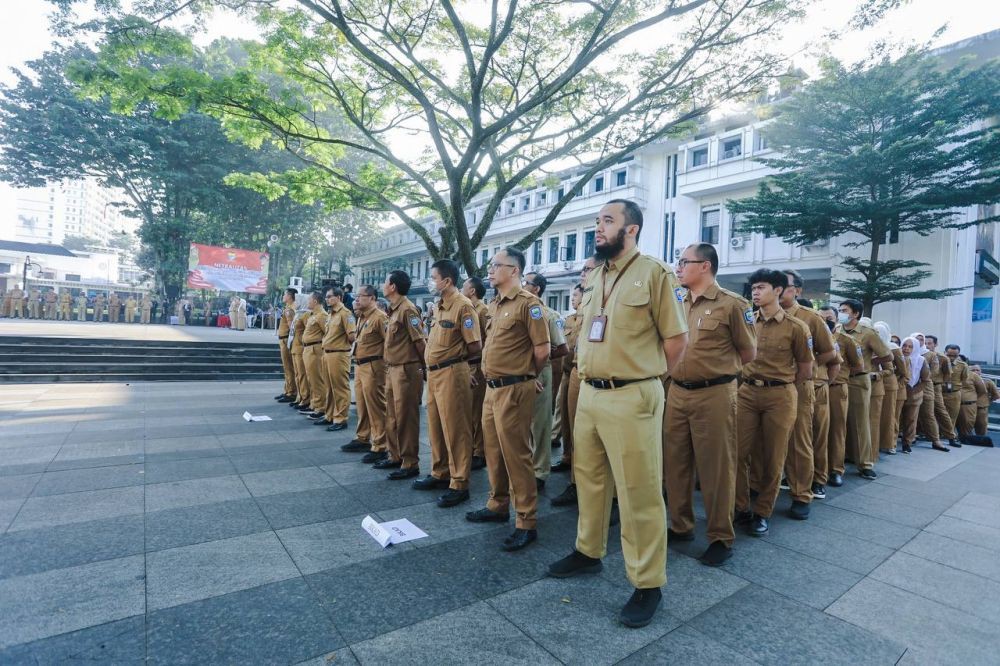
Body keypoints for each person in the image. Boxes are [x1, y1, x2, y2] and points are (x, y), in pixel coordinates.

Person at [547, 199, 687, 629]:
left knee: (638, 491)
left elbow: (676, 341)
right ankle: (588, 551)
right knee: (588, 480)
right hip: (589, 392)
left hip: (632, 394)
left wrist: (649, 384)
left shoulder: (655, 273)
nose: (598, 228)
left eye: (608, 221)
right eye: (597, 221)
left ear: (632, 229)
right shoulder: (596, 276)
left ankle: (648, 583)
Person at [663, 243, 755, 565]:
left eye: (684, 261)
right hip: (676, 390)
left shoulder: (732, 304)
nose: (678, 267)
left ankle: (720, 536)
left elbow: (748, 353)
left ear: (705, 266)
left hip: (714, 393)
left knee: (716, 467)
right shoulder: (676, 300)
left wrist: (720, 375)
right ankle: (680, 525)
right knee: (675, 463)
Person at [466, 247, 550, 552]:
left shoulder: (529, 304)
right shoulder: (496, 304)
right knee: (493, 450)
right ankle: (497, 504)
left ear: (513, 270)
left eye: (496, 265)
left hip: (515, 387)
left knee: (517, 454)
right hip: (492, 388)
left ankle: (526, 521)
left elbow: (542, 350)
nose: (490, 270)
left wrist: (528, 377)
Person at [733, 269, 811, 539]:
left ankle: (763, 512)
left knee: (774, 458)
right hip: (747, 392)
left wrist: (783, 387)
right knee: (737, 453)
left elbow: (805, 370)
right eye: (753, 287)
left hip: (780, 395)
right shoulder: (747, 321)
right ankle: (741, 507)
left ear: (778, 290)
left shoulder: (797, 327)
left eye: (761, 287)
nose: (755, 292)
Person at [415, 259, 482, 508]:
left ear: (447, 281)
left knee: (456, 429)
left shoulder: (463, 307)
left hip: (452, 373)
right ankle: (440, 472)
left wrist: (460, 363)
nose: (430, 282)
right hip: (434, 375)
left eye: (433, 277)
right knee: (435, 426)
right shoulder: (440, 306)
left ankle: (459, 482)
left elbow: (475, 345)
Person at [779, 270, 838, 517]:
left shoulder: (811, 318)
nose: (778, 289)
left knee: (799, 441)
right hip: (768, 388)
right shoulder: (758, 315)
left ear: (798, 291)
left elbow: (829, 354)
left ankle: (802, 493)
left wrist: (808, 370)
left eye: (784, 285)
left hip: (800, 387)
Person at [378, 270, 426, 480]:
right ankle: (395, 455)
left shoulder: (408, 310)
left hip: (407, 369)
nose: (382, 284)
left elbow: (420, 343)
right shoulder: (393, 310)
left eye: (385, 281)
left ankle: (410, 462)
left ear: (393, 287)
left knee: (406, 417)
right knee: (391, 416)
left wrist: (426, 370)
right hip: (392, 369)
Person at [522, 272, 568, 490]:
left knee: (540, 423)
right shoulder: (521, 311)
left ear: (537, 289)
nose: (522, 285)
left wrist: (540, 359)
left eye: (527, 283)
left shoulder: (549, 314)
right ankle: (525, 465)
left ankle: (540, 470)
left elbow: (562, 349)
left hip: (540, 371)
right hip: (520, 373)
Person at [839, 300, 892, 478]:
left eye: (844, 310)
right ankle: (843, 457)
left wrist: (868, 364)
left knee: (860, 422)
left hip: (858, 381)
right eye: (840, 310)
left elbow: (887, 355)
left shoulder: (867, 333)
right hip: (839, 380)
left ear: (855, 314)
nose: (841, 313)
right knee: (840, 421)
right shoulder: (836, 330)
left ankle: (865, 464)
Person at [344, 285, 389, 464]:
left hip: (374, 366)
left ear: (372, 298)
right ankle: (363, 438)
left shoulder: (380, 318)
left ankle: (380, 445)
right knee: (362, 405)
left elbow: (389, 344)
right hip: (361, 366)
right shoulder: (362, 317)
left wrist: (385, 367)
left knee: (376, 407)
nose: (356, 299)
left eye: (360, 296)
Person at [551, 283, 584, 481]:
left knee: (576, 421)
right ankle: (567, 455)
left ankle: (576, 467)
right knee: (564, 416)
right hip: (566, 372)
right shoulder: (568, 320)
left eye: (576, 295)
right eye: (571, 295)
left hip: (578, 371)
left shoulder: (586, 318)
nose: (572, 298)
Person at [461, 276, 489, 471]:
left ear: (472, 291)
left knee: (476, 410)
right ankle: (471, 447)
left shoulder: (482, 310)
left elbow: (485, 340)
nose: (462, 288)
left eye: (464, 286)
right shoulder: (466, 308)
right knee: (467, 410)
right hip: (466, 364)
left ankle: (479, 451)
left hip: (477, 365)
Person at [319, 287, 356, 430]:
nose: (327, 299)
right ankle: (330, 415)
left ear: (339, 297)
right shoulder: (331, 314)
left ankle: (340, 419)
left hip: (339, 354)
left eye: (330, 296)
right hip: (327, 353)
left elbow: (352, 336)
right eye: (326, 297)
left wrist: (343, 346)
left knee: (340, 388)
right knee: (328, 387)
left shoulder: (346, 314)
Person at [873, 321, 908, 456]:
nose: (876, 334)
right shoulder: (872, 345)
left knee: (889, 416)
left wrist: (897, 387)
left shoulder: (893, 347)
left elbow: (903, 372)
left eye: (878, 332)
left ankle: (890, 443)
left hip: (889, 385)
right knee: (876, 417)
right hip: (875, 383)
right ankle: (877, 443)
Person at [924, 335, 958, 447]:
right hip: (920, 385)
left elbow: (948, 374)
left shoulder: (942, 358)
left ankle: (951, 437)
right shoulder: (921, 354)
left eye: (930, 343)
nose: (927, 345)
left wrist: (939, 383)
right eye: (925, 343)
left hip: (935, 386)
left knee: (940, 410)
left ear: (935, 344)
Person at [301, 291, 330, 420]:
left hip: (315, 349)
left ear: (315, 301)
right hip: (308, 349)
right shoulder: (313, 315)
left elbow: (328, 333)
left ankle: (321, 408)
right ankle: (314, 404)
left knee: (317, 379)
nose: (307, 302)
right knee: (310, 378)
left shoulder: (322, 315)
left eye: (309, 300)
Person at [899, 337, 929, 454]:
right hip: (899, 392)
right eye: (904, 345)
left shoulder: (921, 360)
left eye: (910, 346)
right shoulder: (898, 358)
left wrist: (914, 390)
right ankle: (891, 442)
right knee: (896, 418)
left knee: (911, 420)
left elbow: (925, 380)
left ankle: (907, 443)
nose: (906, 349)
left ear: (915, 348)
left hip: (914, 394)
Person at [274, 288, 299, 403]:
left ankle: (291, 392)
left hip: (286, 340)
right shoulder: (289, 307)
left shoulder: (290, 309)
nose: (283, 296)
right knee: (287, 367)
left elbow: (292, 328)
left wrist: (290, 342)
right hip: (284, 339)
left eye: (284, 294)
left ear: (289, 295)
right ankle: (288, 390)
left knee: (289, 367)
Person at [943, 344, 967, 447]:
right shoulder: (939, 362)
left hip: (954, 393)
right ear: (945, 353)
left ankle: (951, 438)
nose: (951, 358)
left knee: (952, 418)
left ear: (958, 355)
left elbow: (964, 379)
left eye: (955, 355)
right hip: (940, 392)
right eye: (949, 355)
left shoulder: (962, 365)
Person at [290, 302, 312, 411]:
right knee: (298, 374)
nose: (296, 303)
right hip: (294, 346)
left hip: (300, 347)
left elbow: (308, 331)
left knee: (302, 374)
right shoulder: (298, 313)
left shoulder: (306, 314)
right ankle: (300, 397)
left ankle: (305, 398)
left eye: (298, 300)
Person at [972, 365, 999, 439]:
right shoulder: (966, 381)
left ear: (981, 371)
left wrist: (988, 401)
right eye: (973, 370)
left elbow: (996, 395)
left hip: (981, 408)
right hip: (967, 407)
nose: (975, 372)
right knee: (966, 429)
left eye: (977, 370)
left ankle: (981, 441)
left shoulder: (987, 381)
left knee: (981, 428)